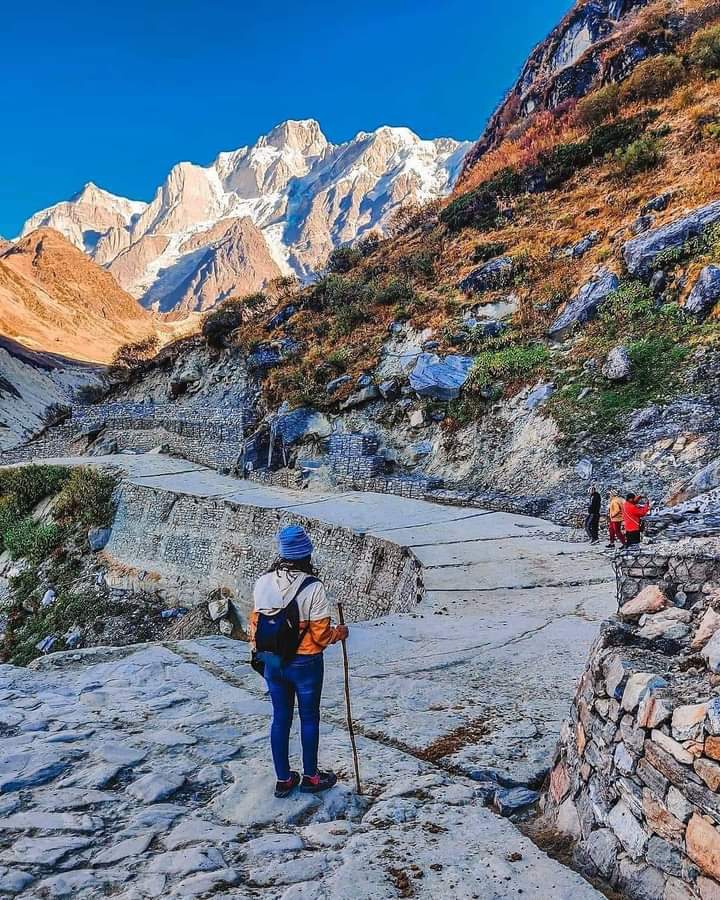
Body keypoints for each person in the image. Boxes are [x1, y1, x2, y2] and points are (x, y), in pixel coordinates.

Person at [250, 524, 349, 799]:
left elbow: (255, 625)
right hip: (305, 664)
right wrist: (339, 633)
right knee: (309, 718)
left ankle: (283, 779)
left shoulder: (263, 582)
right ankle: (311, 777)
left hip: (273, 661)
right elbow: (320, 635)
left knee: (280, 719)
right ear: (306, 554)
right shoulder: (313, 587)